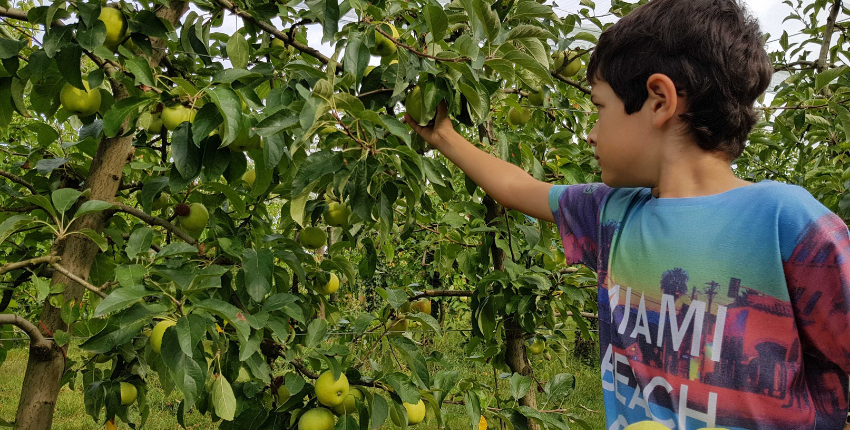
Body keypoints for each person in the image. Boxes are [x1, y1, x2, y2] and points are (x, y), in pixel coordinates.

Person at [405, 0, 850, 428]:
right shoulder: (611, 212)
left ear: (658, 100)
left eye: (599, 108)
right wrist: (443, 136)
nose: (592, 134)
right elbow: (518, 188)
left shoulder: (786, 222)